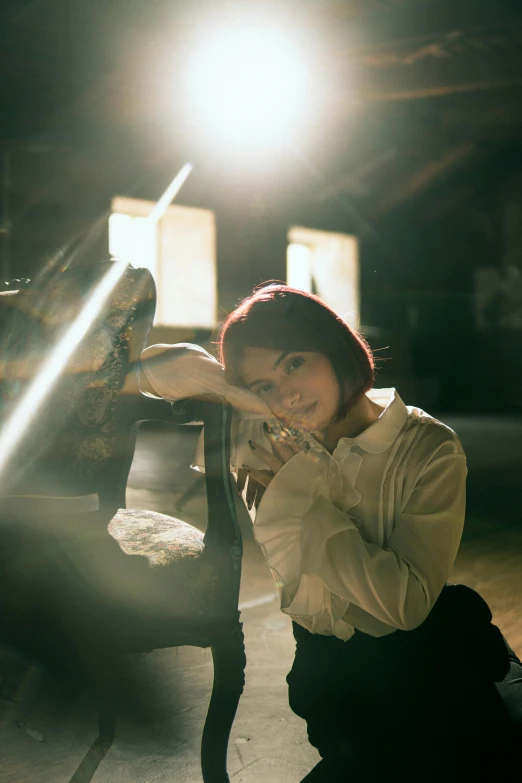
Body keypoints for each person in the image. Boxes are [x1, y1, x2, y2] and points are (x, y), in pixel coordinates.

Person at [139, 283, 522, 782]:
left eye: (295, 362)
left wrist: (296, 499)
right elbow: (145, 368)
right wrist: (237, 392)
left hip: (422, 667)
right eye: (264, 385)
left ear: (336, 348)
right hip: (325, 676)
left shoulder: (427, 446)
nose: (287, 393)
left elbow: (403, 605)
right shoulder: (265, 432)